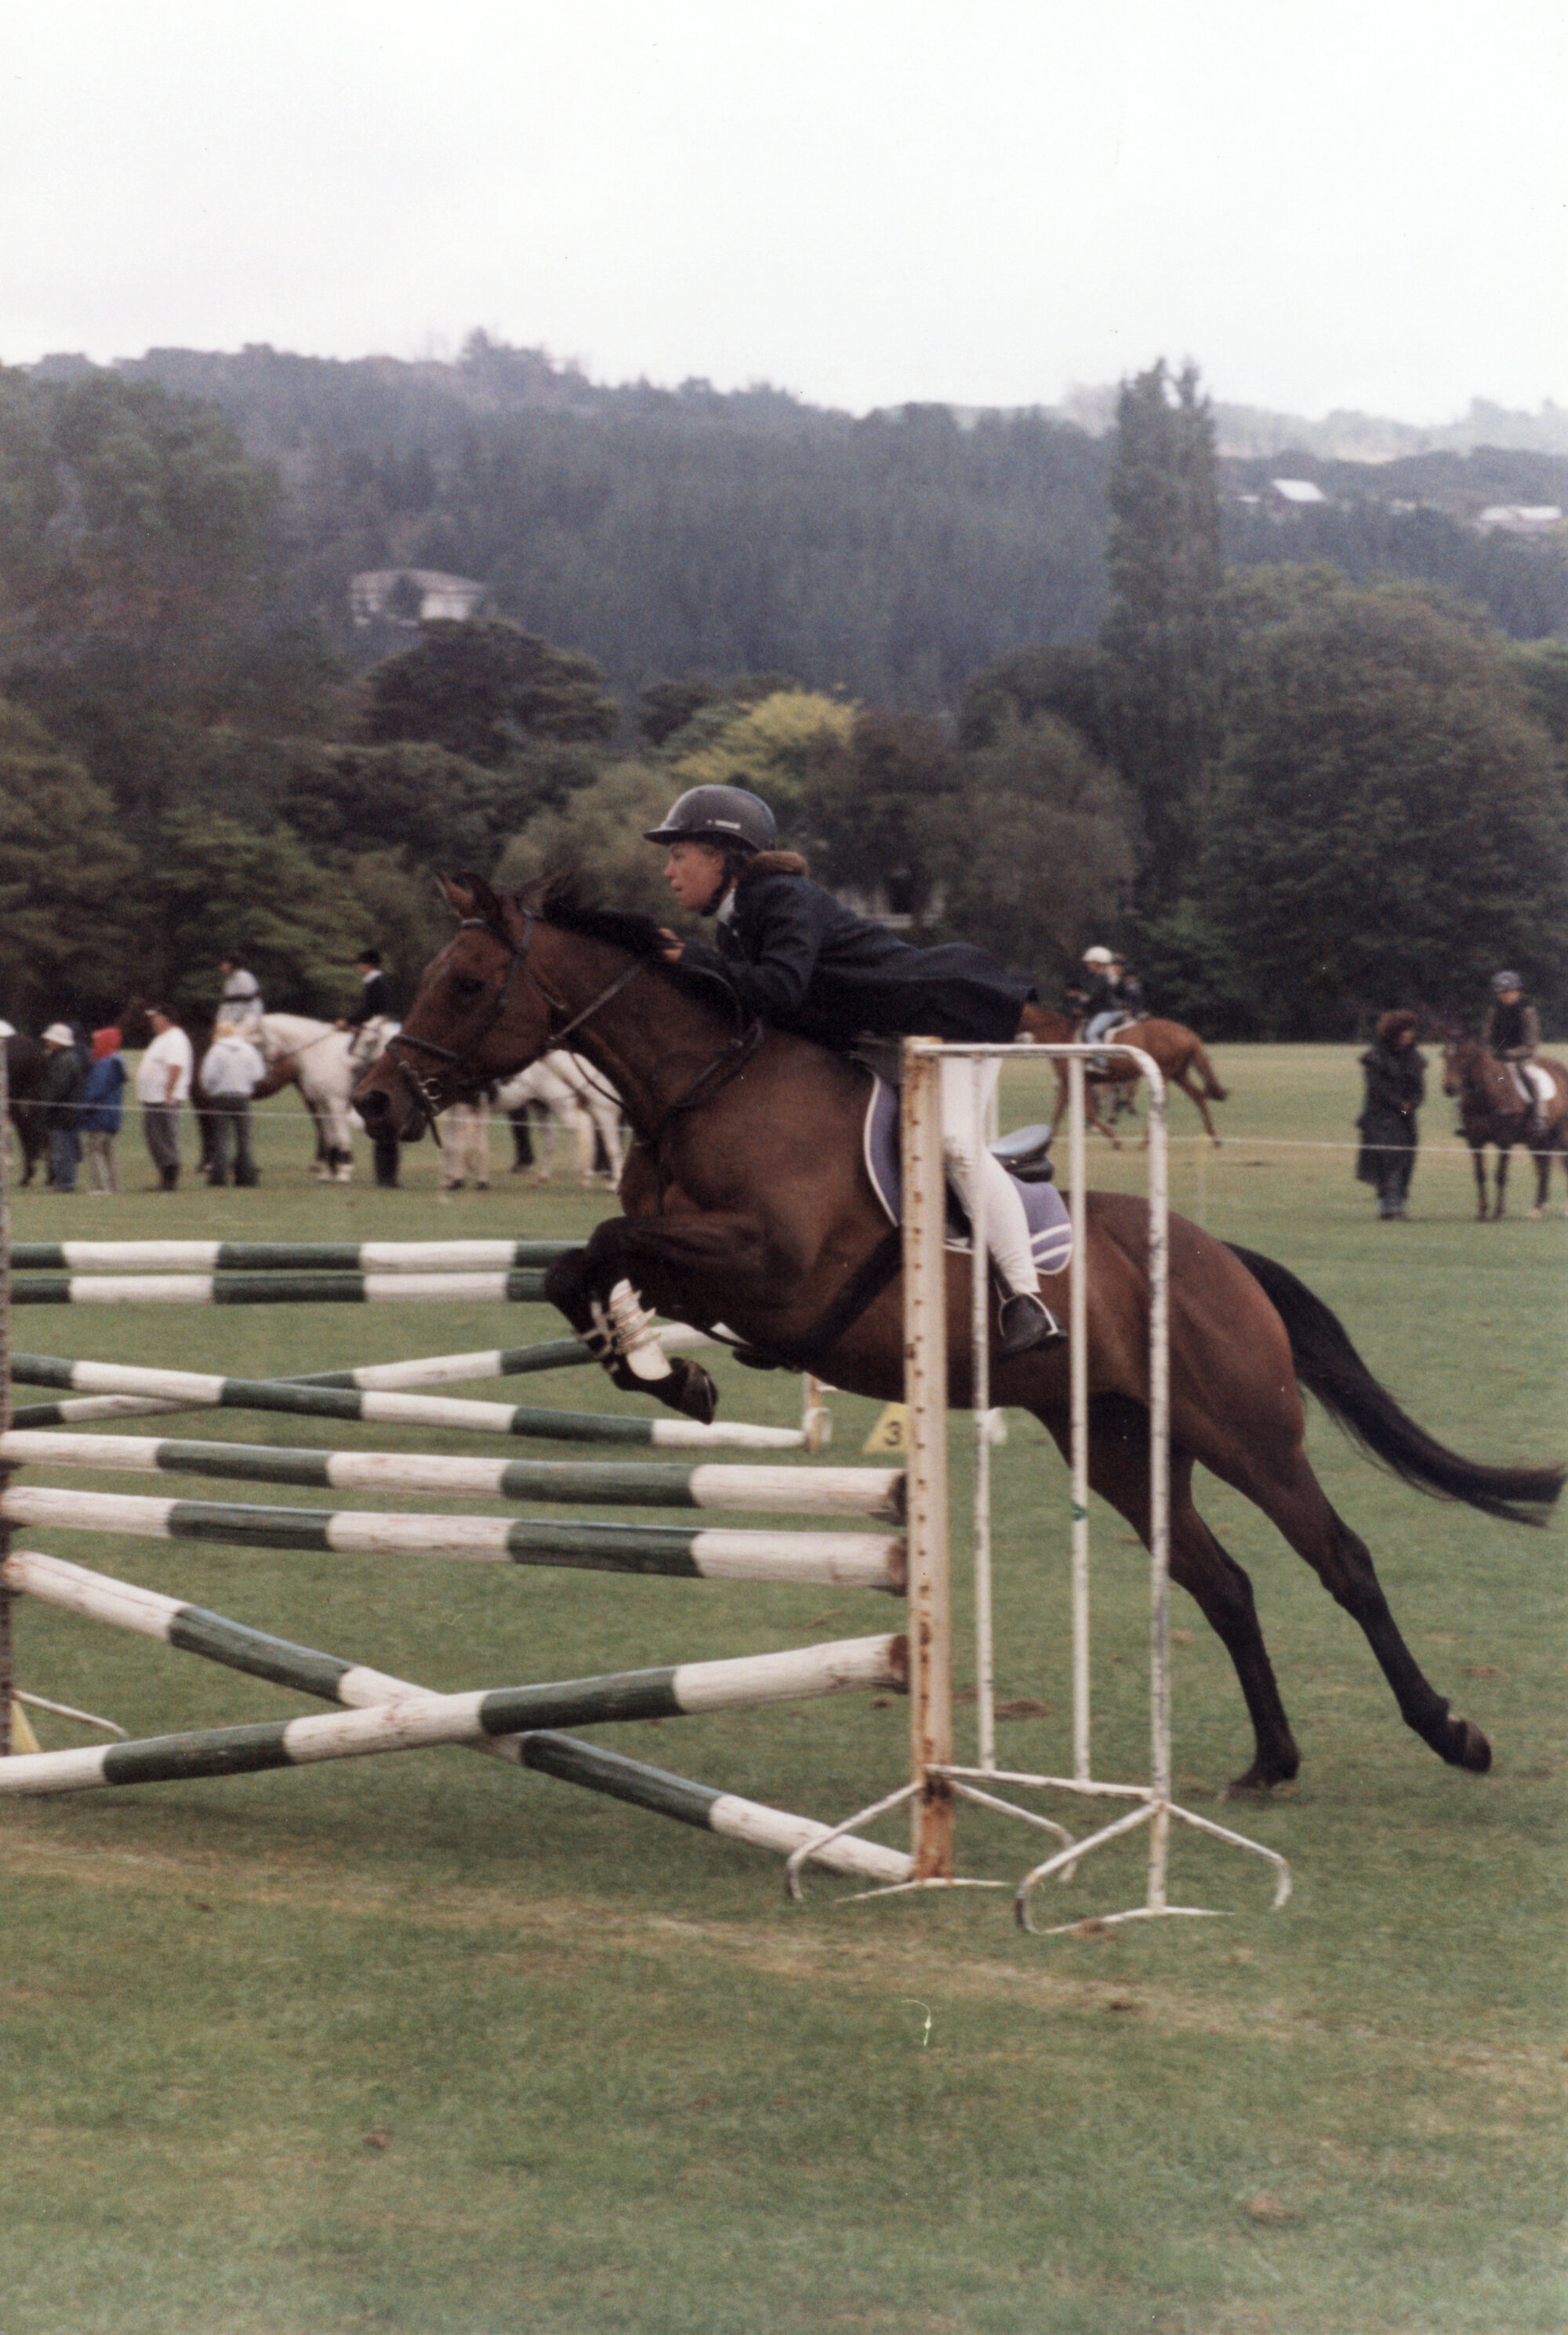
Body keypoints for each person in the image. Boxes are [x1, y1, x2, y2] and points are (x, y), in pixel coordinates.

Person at [645, 783, 1063, 1356]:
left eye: (678, 854)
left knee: (952, 1145)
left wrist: (692, 963)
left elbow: (781, 990)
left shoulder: (781, 897)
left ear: (720, 856)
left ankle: (1026, 1298)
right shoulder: (735, 922)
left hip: (945, 1016)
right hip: (883, 1039)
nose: (669, 871)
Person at [1356, 1011, 1425, 1220]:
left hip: (1406, 1116)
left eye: (1411, 1031)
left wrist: (1408, 1107)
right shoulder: (1375, 1058)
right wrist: (1400, 1106)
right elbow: (1378, 1090)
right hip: (1379, 1117)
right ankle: (1389, 1207)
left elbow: (1419, 1091)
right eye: (1405, 1031)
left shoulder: (1414, 1057)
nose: (1409, 1035)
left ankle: (1398, 1206)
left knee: (1406, 1159)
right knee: (1388, 1160)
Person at [201, 1019, 265, 1186]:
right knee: (244, 1139)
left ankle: (218, 1178)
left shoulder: (216, 1050)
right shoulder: (248, 1049)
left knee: (221, 1139)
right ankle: (246, 1178)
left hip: (220, 1097)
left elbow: (208, 1076)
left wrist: (210, 1089)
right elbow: (258, 1074)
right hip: (242, 1097)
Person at [136, 1007, 194, 1190]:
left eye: (156, 1017)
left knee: (166, 1137)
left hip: (164, 1098)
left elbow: (176, 1066)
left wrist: (169, 1092)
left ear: (166, 1018)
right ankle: (164, 1177)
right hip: (153, 1098)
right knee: (155, 1138)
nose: (153, 1020)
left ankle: (170, 1181)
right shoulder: (162, 1038)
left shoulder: (175, 1038)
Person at [1484, 971, 1544, 1140]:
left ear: (1518, 991)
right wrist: (1491, 1053)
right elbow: (1487, 1037)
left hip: (1521, 1057)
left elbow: (1531, 1043)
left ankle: (1536, 1116)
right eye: (1502, 993)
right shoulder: (1494, 1010)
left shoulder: (1527, 1010)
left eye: (1509, 992)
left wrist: (1510, 1054)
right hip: (1496, 1057)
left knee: (1530, 1076)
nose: (1505, 996)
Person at [78, 1026, 128, 1195]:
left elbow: (95, 1091)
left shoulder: (105, 1065)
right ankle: (114, 1186)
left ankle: (102, 1187)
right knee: (109, 1153)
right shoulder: (116, 1062)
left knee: (95, 1151)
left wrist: (83, 1109)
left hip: (99, 1116)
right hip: (111, 1117)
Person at [38, 1022, 85, 1192]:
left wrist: (44, 1103)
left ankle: (65, 1183)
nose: (48, 1042)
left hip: (62, 1113)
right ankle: (66, 1181)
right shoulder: (67, 1057)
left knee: (62, 1148)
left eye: (51, 1039)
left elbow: (58, 1087)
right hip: (67, 1112)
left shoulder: (65, 1060)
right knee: (65, 1147)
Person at [338, 947, 395, 1065]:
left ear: (368, 965)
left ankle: (361, 1065)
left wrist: (348, 1021)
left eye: (360, 964)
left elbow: (368, 1008)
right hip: (374, 1016)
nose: (358, 967)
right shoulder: (373, 980)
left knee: (366, 1040)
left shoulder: (377, 981)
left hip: (377, 1018)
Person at [216, 950, 264, 1035]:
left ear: (231, 964)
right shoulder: (231, 979)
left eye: (224, 963)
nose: (221, 966)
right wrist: (220, 1021)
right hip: (234, 1023)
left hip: (246, 1023)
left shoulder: (242, 978)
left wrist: (229, 1023)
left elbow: (242, 1005)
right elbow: (228, 1004)